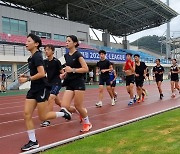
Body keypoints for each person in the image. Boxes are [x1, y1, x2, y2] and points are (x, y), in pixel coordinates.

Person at [19, 34, 71, 151]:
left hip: (41, 88)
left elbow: (42, 74)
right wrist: (27, 76)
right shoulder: (32, 58)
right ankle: (33, 141)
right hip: (33, 89)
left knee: (43, 116)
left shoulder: (37, 57)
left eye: (28, 41)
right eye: (26, 41)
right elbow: (37, 73)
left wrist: (27, 79)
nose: (26, 43)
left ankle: (63, 113)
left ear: (36, 44)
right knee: (27, 114)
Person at [60, 35, 92, 132]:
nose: (66, 42)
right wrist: (65, 74)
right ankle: (81, 114)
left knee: (78, 105)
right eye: (66, 41)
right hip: (70, 82)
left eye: (69, 41)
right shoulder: (66, 56)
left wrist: (72, 70)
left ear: (75, 43)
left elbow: (86, 69)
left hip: (78, 82)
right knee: (64, 106)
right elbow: (69, 69)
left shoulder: (78, 55)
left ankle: (87, 123)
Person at [40, 44, 64, 127]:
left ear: (53, 51)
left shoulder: (56, 61)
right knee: (58, 102)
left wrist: (63, 76)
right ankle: (66, 111)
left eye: (48, 50)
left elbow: (62, 72)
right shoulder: (45, 62)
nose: (46, 51)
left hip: (57, 83)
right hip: (49, 84)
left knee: (50, 99)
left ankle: (48, 119)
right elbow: (44, 73)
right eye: (45, 50)